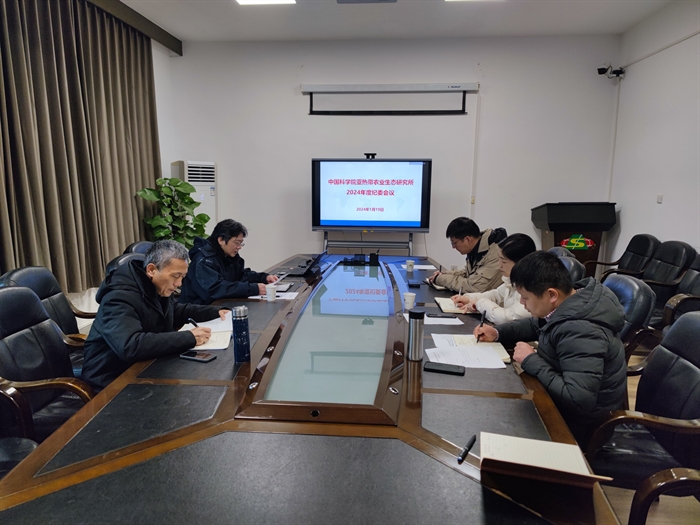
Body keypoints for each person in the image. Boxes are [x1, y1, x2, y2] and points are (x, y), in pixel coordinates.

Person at [473, 251, 626, 445]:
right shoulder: (571, 303)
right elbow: (537, 325)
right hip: (558, 404)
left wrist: (530, 360)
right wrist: (497, 332)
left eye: (525, 298)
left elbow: (578, 399)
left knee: (490, 422)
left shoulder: (581, 330)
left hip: (579, 428)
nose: (522, 303)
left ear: (552, 295)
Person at [82, 240, 227, 390]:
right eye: (175, 276)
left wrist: (215, 312)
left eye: (182, 276)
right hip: (112, 380)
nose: (179, 283)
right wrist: (189, 337)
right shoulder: (118, 297)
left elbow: (175, 310)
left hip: (147, 366)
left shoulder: (156, 285)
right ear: (151, 270)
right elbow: (131, 346)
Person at [179, 219, 278, 304]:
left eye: (241, 243)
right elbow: (215, 289)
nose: (239, 247)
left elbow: (240, 276)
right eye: (237, 243)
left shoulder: (227, 255)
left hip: (218, 307)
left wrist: (263, 277)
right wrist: (253, 289)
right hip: (199, 311)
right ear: (221, 240)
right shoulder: (204, 260)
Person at [450, 233, 536, 323]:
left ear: (521, 263)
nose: (499, 265)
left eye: (504, 261)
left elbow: (506, 318)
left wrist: (479, 303)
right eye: (499, 259)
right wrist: (469, 299)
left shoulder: (532, 288)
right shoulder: (513, 280)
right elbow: (496, 295)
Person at [428, 217, 506, 293]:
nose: (453, 247)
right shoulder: (477, 248)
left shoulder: (496, 253)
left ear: (467, 239)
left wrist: (441, 279)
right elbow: (470, 273)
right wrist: (445, 274)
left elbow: (475, 287)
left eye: (454, 243)